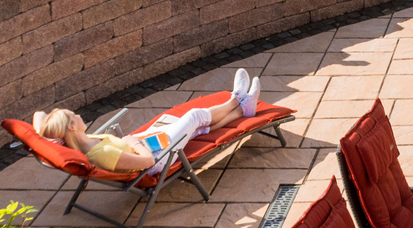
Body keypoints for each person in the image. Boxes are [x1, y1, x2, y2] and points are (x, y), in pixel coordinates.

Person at [36, 71, 261, 175]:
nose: (78, 115)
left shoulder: (79, 141)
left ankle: (244, 108)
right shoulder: (99, 153)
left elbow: (39, 115)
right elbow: (145, 163)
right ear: (71, 127)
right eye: (73, 116)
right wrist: (134, 143)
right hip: (157, 159)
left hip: (149, 143)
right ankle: (235, 99)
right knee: (194, 116)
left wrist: (39, 134)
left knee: (197, 129)